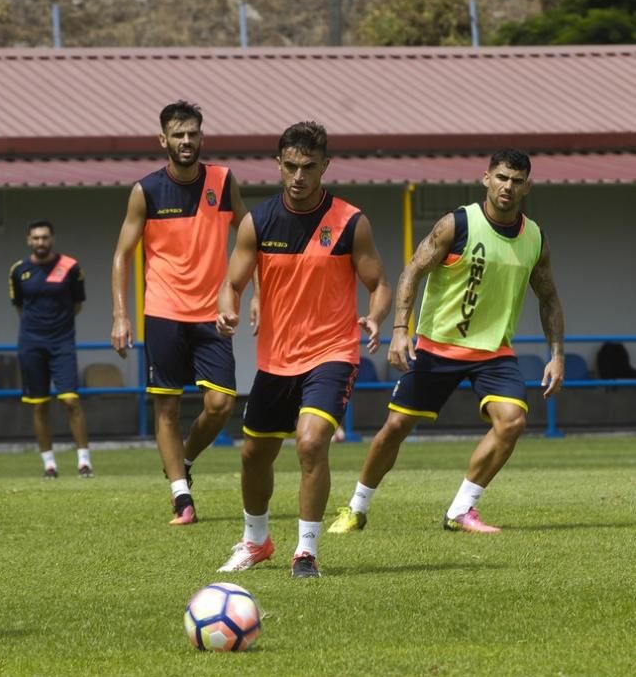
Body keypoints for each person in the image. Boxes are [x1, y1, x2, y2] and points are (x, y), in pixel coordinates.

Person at [329, 149, 565, 535]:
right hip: (437, 347)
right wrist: (401, 329)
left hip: (493, 352)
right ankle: (356, 508)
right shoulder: (457, 224)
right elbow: (412, 270)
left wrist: (556, 355)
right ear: (486, 178)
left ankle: (461, 510)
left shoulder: (534, 238)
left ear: (527, 186)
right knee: (396, 426)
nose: (508, 186)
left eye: (517, 180)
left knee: (512, 421)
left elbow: (549, 297)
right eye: (502, 177)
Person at [215, 121, 391, 577]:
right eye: (290, 166)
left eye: (309, 167)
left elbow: (379, 285)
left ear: (325, 166)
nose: (298, 176)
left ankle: (306, 552)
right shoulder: (258, 222)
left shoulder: (351, 222)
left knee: (312, 442)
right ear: (278, 165)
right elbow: (230, 283)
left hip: (332, 353)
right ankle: (256, 542)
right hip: (276, 360)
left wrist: (375, 316)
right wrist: (227, 309)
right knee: (254, 455)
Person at [111, 100, 257, 525]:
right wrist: (122, 315)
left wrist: (255, 294)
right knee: (168, 408)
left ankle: (185, 459)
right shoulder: (146, 192)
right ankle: (181, 498)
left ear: (202, 137)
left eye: (193, 133)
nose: (186, 141)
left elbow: (251, 236)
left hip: (212, 313)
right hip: (163, 311)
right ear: (163, 140)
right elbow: (122, 255)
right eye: (178, 135)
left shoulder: (222, 180)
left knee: (220, 404)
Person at [9, 219, 94, 478]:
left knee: (70, 400)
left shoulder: (70, 267)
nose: (40, 242)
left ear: (52, 239)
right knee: (39, 405)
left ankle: (84, 462)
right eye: (35, 238)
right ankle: (49, 464)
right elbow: (20, 307)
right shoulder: (18, 270)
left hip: (62, 343)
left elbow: (77, 304)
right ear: (28, 240)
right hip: (31, 343)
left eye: (45, 237)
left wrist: (58, 327)